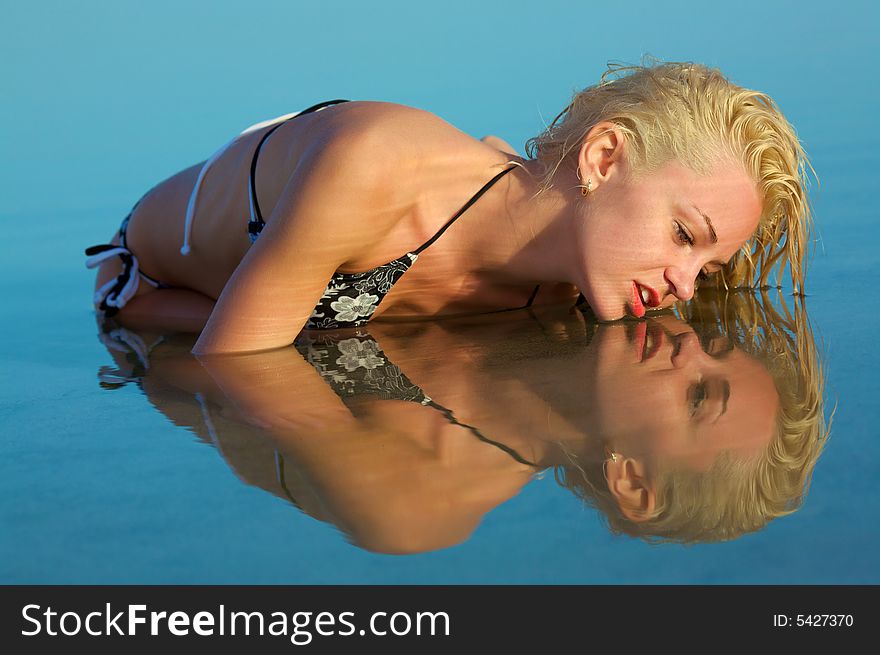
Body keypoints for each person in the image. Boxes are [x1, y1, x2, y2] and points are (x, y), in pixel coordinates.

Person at [85, 60, 814, 354]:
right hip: (150, 277)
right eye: (685, 234)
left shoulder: (575, 281)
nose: (685, 284)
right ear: (601, 158)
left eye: (708, 267)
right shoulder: (375, 170)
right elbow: (228, 371)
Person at [93, 291, 828, 550]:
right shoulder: (554, 297)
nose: (685, 331)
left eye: (700, 393)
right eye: (716, 344)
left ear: (632, 476)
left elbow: (240, 382)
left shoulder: (435, 488)